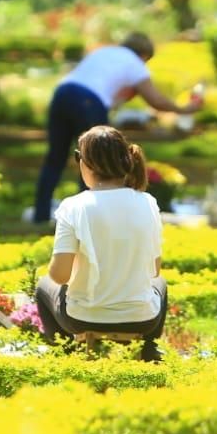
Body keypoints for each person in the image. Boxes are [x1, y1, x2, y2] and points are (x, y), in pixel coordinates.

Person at [32, 32, 201, 223]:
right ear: (144, 55)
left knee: (55, 158)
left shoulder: (104, 52)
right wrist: (184, 109)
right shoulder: (135, 63)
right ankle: (86, 220)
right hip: (89, 100)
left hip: (62, 93)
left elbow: (108, 95)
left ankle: (40, 215)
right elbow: (155, 100)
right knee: (93, 160)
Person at [34, 125, 168, 362]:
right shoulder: (148, 202)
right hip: (143, 319)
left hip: (82, 318)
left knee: (43, 285)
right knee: (161, 283)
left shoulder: (73, 206)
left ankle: (64, 355)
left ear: (85, 163)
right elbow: (154, 270)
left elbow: (60, 276)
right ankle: (149, 351)